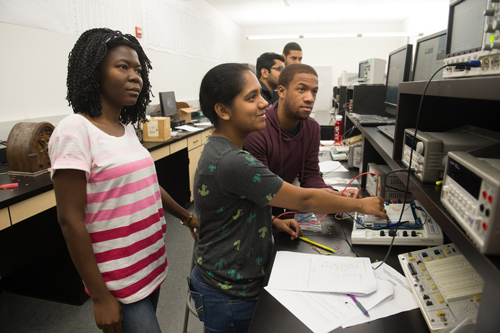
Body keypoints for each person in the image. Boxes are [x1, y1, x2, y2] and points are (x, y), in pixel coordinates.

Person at [188, 63, 387, 333]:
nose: (263, 104)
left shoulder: (223, 150)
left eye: (261, 94)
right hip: (229, 292)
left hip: (233, 281)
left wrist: (272, 222)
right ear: (223, 111)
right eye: (251, 98)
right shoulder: (233, 161)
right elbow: (303, 200)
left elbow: (234, 208)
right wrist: (361, 204)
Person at [49, 28, 199, 333]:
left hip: (147, 265)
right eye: (123, 67)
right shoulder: (74, 130)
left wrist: (186, 217)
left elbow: (145, 185)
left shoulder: (124, 128)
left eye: (139, 70)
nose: (136, 77)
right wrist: (101, 297)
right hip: (115, 280)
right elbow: (70, 220)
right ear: (94, 73)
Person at [245, 64, 357, 200]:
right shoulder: (258, 128)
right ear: (281, 91)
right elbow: (264, 187)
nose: (310, 98)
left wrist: (336, 195)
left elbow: (310, 176)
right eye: (301, 89)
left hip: (285, 205)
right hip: (259, 209)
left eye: (314, 91)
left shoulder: (312, 128)